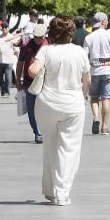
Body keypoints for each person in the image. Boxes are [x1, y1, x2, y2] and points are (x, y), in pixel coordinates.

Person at [29, 15, 91, 206]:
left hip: (47, 102)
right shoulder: (79, 52)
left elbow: (32, 70)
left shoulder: (46, 50)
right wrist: (83, 95)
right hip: (72, 104)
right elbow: (86, 80)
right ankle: (62, 192)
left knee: (50, 146)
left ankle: (50, 190)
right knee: (69, 148)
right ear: (71, 32)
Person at [83, 12, 110, 135]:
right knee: (106, 98)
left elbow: (84, 57)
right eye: (106, 20)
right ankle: (105, 127)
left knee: (94, 97)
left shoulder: (89, 37)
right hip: (108, 70)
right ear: (103, 22)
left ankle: (96, 118)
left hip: (94, 70)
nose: (107, 22)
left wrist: (84, 73)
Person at [17, 24, 50, 143]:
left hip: (46, 82)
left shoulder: (50, 45)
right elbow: (20, 63)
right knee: (31, 110)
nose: (37, 39)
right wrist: (17, 80)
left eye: (40, 37)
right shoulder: (26, 45)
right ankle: (38, 133)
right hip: (29, 82)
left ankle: (46, 131)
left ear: (44, 36)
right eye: (35, 37)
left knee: (46, 108)